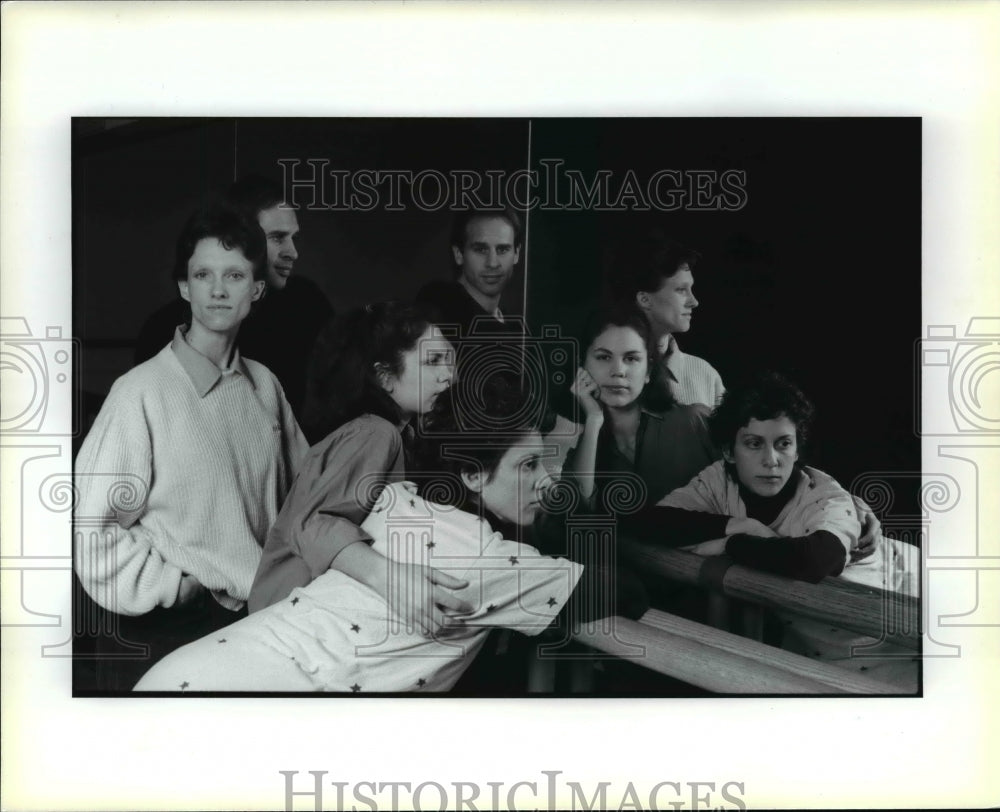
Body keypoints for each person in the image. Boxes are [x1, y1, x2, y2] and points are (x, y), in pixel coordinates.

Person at [134, 374, 649, 693]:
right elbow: (625, 591)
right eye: (529, 465)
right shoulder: (484, 562)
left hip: (193, 671)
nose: (547, 481)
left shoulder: (394, 502)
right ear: (471, 474)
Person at [74, 200, 309, 688]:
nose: (218, 290)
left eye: (235, 276)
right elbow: (88, 527)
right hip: (165, 631)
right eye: (203, 275)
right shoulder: (140, 392)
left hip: (249, 625)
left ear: (258, 289)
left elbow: (303, 502)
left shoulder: (265, 386)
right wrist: (173, 589)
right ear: (185, 286)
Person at [641, 372, 918, 687]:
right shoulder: (719, 480)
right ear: (729, 452)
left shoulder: (827, 497)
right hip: (819, 646)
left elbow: (815, 560)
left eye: (783, 444)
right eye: (754, 444)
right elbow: (649, 522)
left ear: (797, 450)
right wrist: (742, 525)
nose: (771, 460)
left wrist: (732, 545)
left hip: (904, 616)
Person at [247, 302, 469, 635]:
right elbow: (313, 525)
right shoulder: (375, 433)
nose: (448, 376)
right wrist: (394, 581)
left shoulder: (397, 436)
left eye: (451, 362)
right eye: (433, 361)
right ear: (385, 377)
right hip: (287, 621)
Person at [134, 174, 333, 417]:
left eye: (294, 238)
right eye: (278, 237)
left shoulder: (307, 304)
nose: (293, 252)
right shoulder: (163, 329)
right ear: (240, 234)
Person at [563, 303, 718, 513]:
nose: (618, 371)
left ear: (648, 371)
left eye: (631, 358)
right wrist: (593, 420)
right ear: (582, 366)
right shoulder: (585, 448)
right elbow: (577, 514)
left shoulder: (694, 421)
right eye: (603, 357)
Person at [611, 231, 725, 408]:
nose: (694, 302)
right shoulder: (599, 373)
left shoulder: (705, 376)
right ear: (644, 299)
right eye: (681, 290)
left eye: (691, 289)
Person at [415, 207, 526, 342]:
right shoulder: (436, 306)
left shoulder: (517, 328)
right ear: (459, 254)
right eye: (480, 249)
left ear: (516, 254)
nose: (492, 263)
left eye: (502, 249)